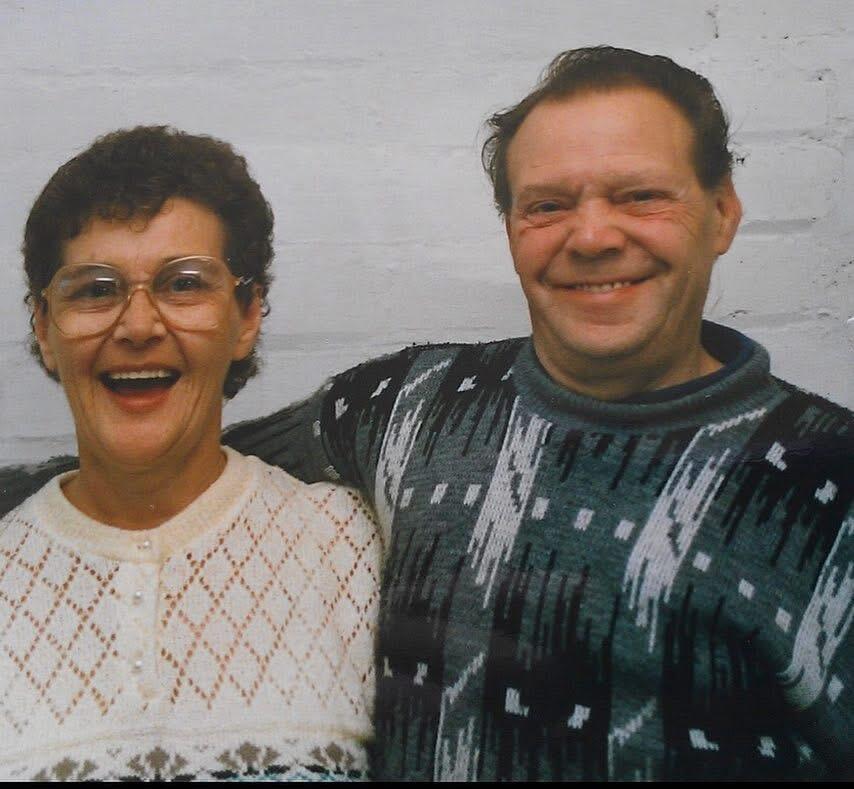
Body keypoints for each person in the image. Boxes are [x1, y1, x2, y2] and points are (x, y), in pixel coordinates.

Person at [3, 47, 852, 781]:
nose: (592, 236)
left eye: (639, 196)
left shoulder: (830, 487)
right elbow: (168, 457)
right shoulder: (410, 407)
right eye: (548, 204)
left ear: (723, 211)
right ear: (511, 226)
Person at [0, 126, 381, 781]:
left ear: (247, 315)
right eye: (95, 289)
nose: (139, 326)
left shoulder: (347, 545)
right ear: (44, 326)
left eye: (183, 284)